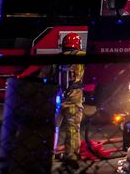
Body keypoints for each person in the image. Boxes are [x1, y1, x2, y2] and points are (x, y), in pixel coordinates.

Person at [54, 32, 87, 164]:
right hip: (74, 99)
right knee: (73, 128)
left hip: (56, 98)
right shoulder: (81, 56)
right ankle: (71, 156)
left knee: (52, 128)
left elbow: (45, 75)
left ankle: (48, 154)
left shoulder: (56, 58)